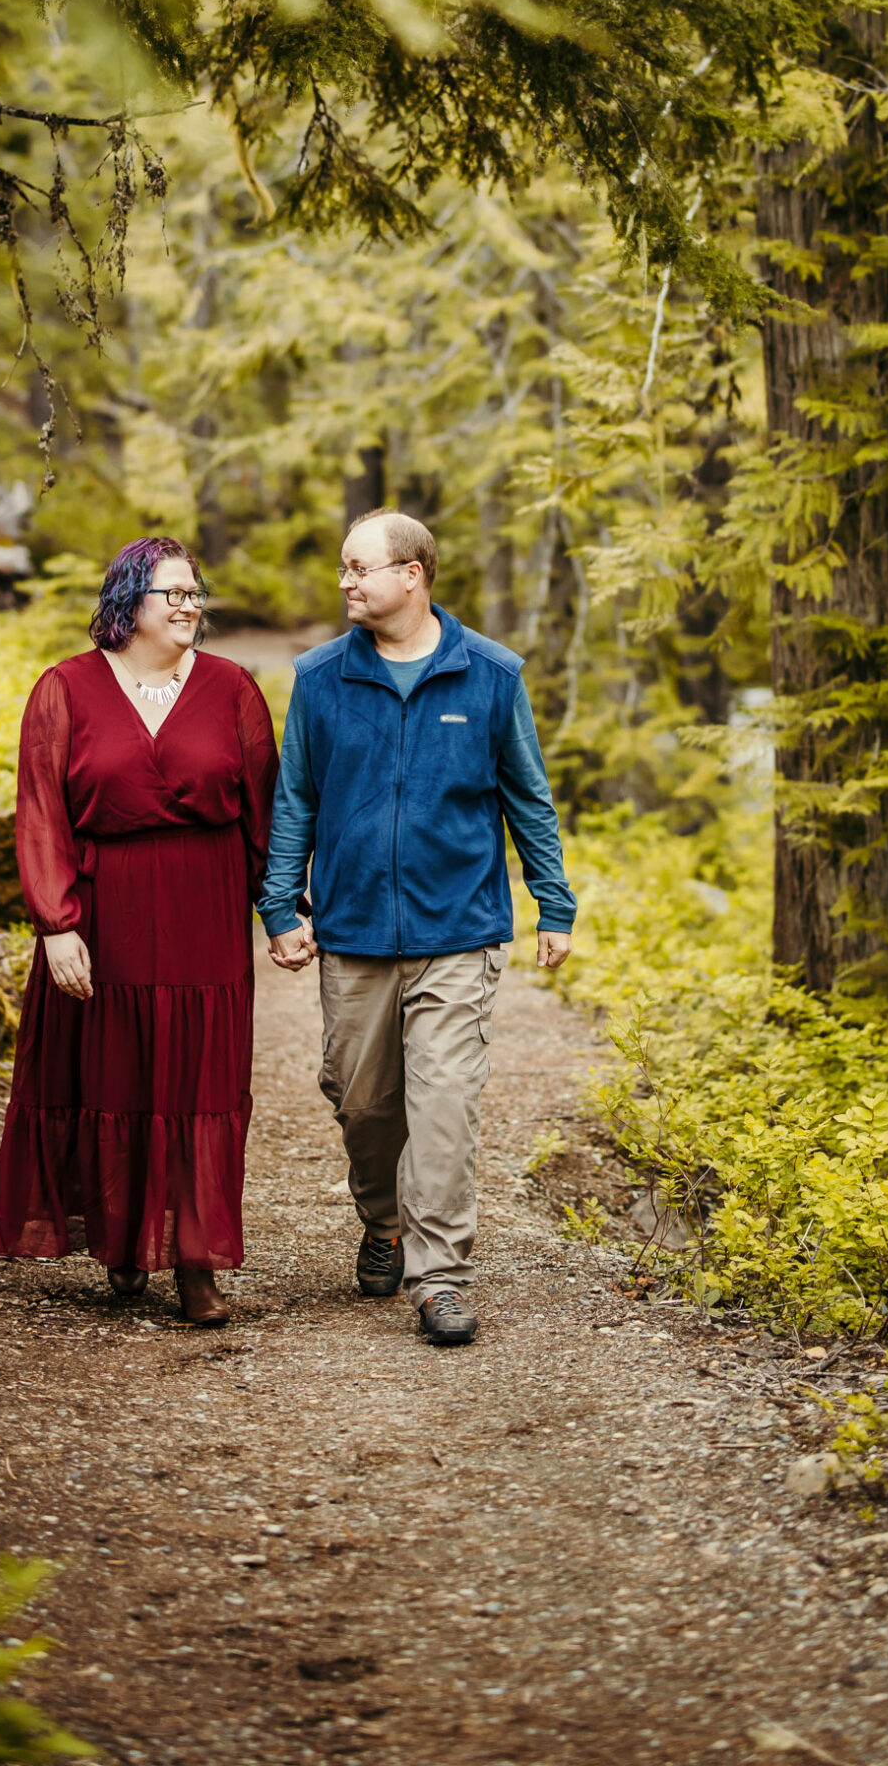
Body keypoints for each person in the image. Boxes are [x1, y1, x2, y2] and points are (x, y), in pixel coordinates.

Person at [257, 507, 575, 1346]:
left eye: (360, 568)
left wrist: (554, 902)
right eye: (342, 569)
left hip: (459, 929)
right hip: (355, 929)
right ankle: (382, 1221)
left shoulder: (491, 676)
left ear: (414, 574)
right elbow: (297, 799)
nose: (347, 583)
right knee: (363, 1102)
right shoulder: (322, 677)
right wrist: (278, 903)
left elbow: (527, 798)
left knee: (445, 1104)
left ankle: (439, 1276)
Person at [0, 536, 279, 1327]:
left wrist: (281, 911)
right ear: (126, 604)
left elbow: (265, 817)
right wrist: (56, 924)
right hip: (104, 911)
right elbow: (40, 811)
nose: (189, 605)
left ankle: (195, 1262)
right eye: (171, 593)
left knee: (199, 1085)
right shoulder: (64, 690)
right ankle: (120, 1243)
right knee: (112, 1077)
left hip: (205, 915)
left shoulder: (233, 689)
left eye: (193, 592)